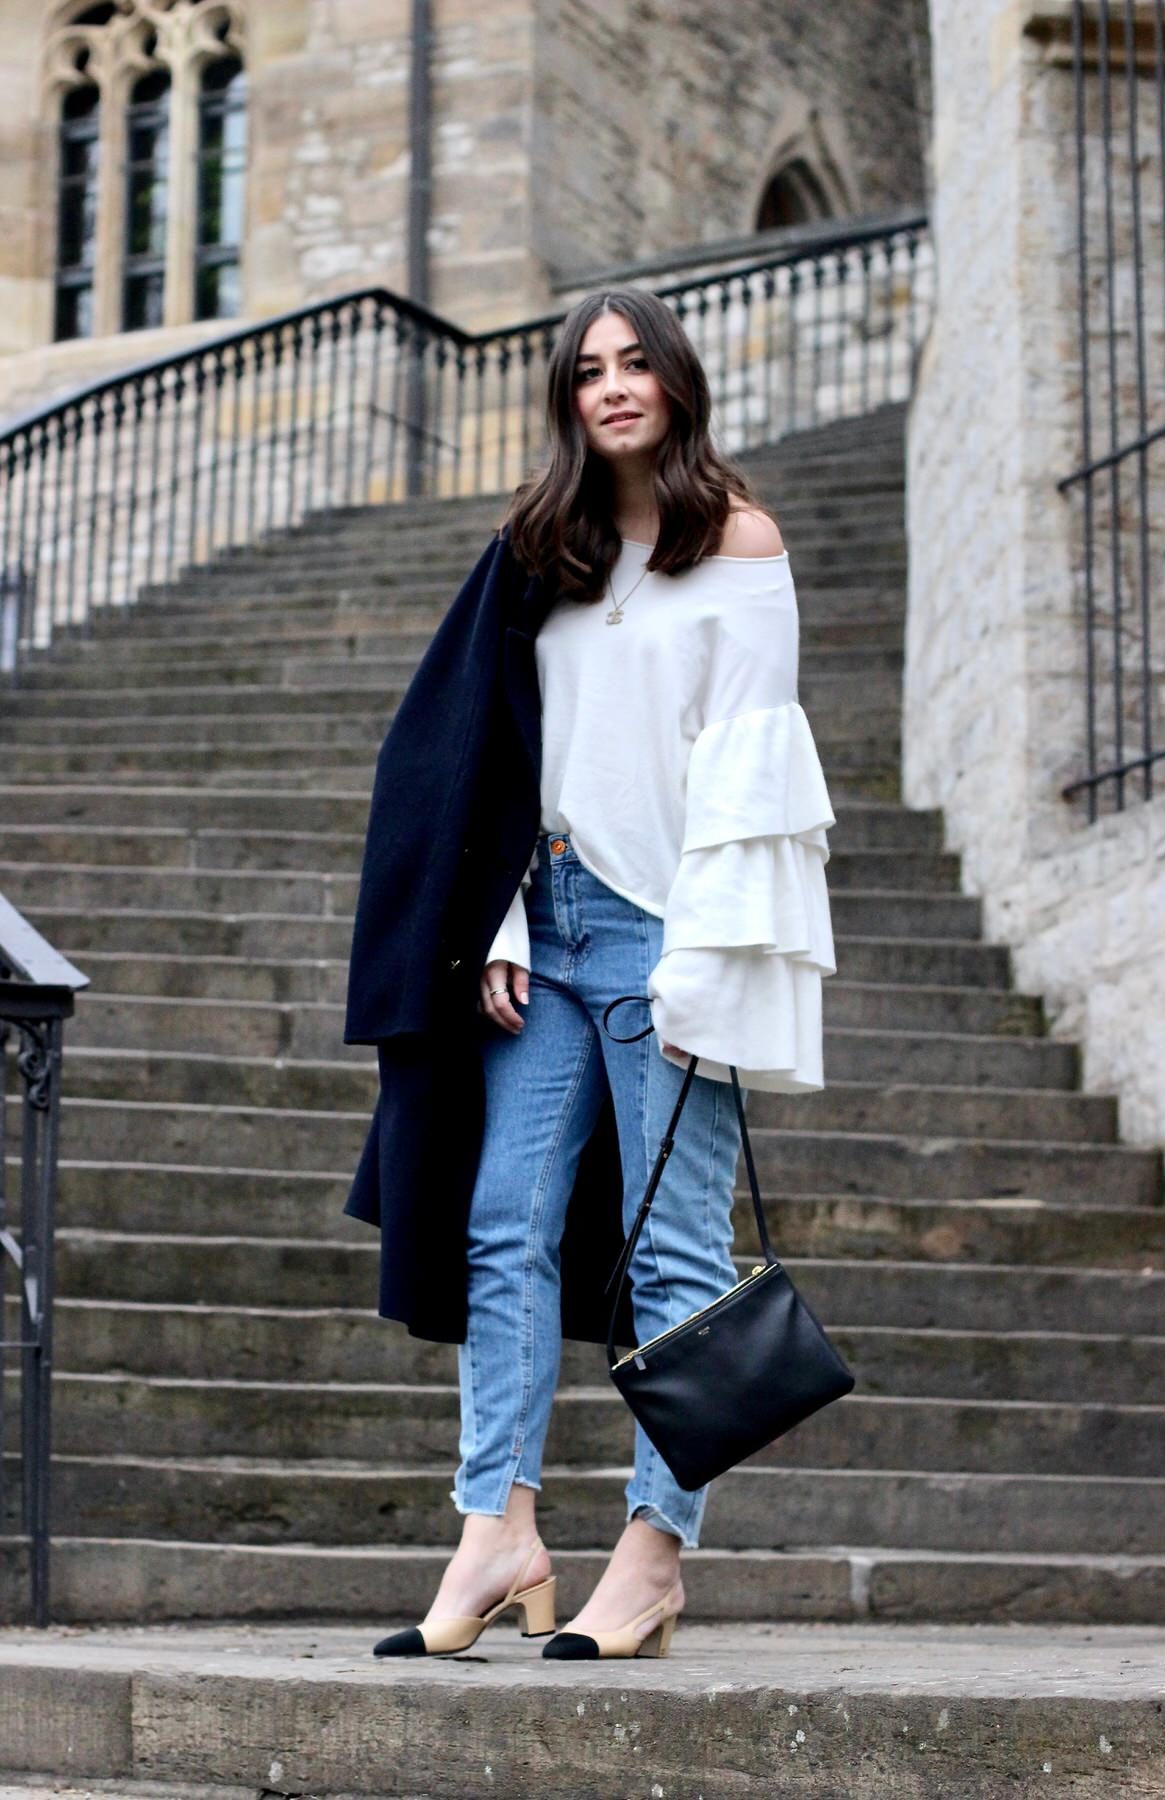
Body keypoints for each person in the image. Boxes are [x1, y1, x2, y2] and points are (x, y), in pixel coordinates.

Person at [369, 285, 836, 1661]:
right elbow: (495, 758)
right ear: (566, 399)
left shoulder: (738, 546)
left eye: (637, 362)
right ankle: (497, 1528)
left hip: (667, 932)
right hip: (550, 923)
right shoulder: (543, 548)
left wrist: (708, 964)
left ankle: (653, 1547)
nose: (614, 385)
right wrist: (504, 923)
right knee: (499, 1225)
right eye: (588, 370)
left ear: (677, 381)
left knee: (676, 1247)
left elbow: (753, 776)